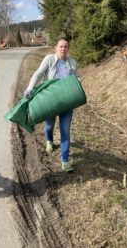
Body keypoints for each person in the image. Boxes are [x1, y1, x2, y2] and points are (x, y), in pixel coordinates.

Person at [24, 36, 80, 172]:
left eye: (66, 46)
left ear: (68, 49)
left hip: (67, 100)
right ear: (56, 48)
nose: (63, 49)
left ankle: (65, 161)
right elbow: (38, 73)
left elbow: (76, 77)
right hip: (51, 100)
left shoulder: (72, 62)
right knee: (49, 125)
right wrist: (30, 87)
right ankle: (49, 140)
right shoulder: (50, 59)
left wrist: (78, 80)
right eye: (61, 46)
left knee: (65, 130)